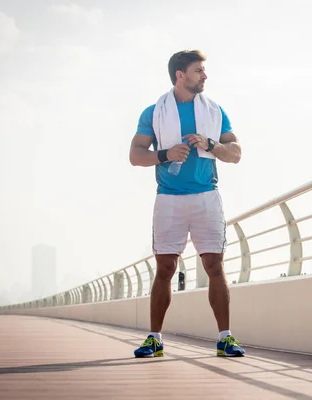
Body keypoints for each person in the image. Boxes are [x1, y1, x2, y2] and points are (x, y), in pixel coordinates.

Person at [129, 50, 245, 358]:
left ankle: (225, 338)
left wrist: (211, 144)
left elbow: (235, 153)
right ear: (181, 75)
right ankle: (154, 339)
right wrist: (165, 154)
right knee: (165, 268)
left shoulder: (215, 111)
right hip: (169, 199)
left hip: (207, 195)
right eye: (198, 71)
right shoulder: (154, 112)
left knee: (214, 266)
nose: (204, 76)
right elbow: (135, 156)